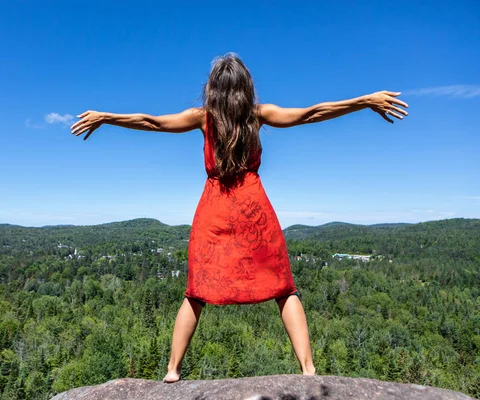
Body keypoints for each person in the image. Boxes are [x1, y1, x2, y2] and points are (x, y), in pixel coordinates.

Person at [70, 53, 408, 383]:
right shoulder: (258, 115)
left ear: (213, 89)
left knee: (196, 291)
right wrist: (364, 100)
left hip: (214, 210)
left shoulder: (201, 117)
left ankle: (173, 370)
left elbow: (153, 122)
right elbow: (311, 113)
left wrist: (106, 116)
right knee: (283, 288)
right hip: (254, 210)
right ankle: (308, 370)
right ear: (246, 87)